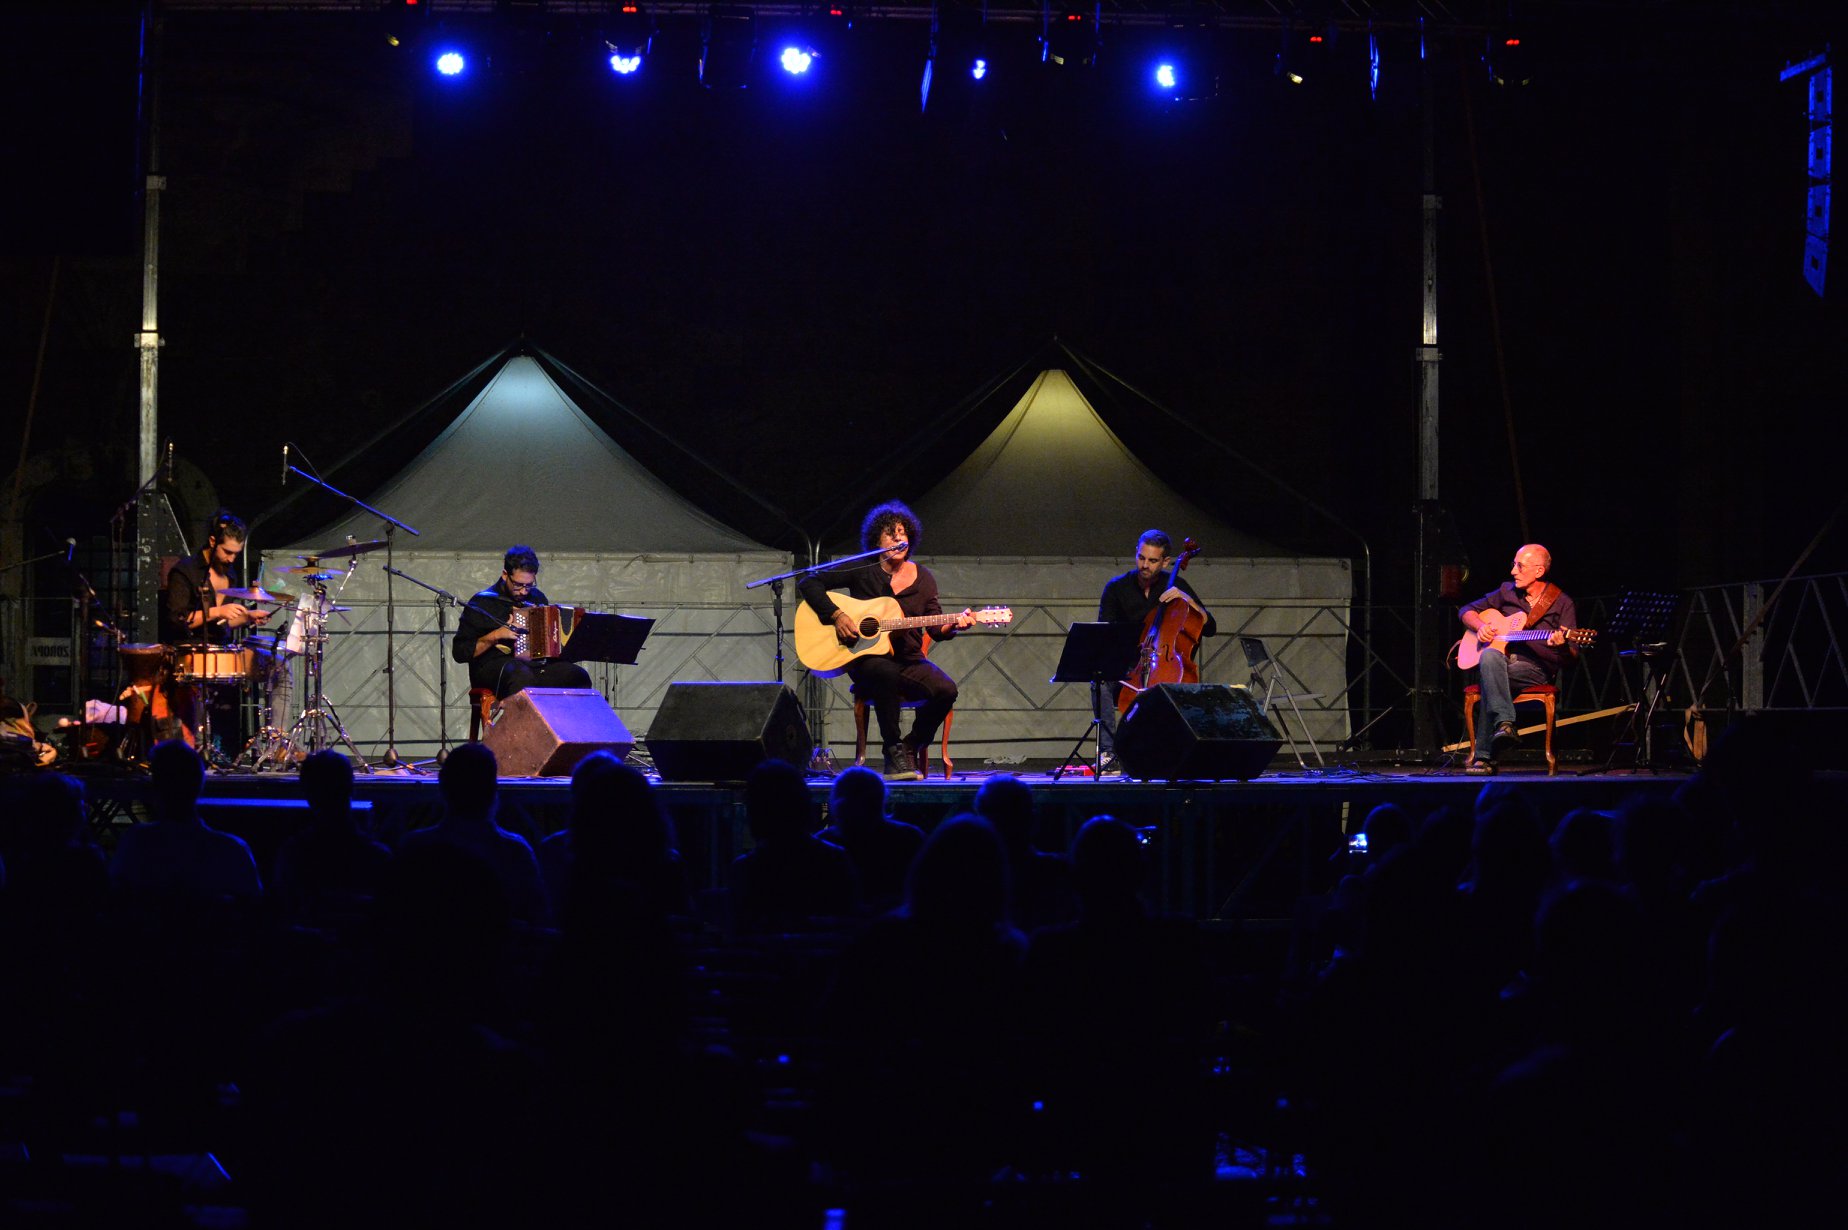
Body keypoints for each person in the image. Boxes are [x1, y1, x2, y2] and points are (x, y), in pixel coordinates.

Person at [797, 501, 974, 781]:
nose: (898, 538)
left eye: (902, 532)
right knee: (883, 671)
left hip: (910, 660)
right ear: (876, 540)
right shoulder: (863, 568)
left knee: (946, 690)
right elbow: (809, 582)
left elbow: (937, 626)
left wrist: (954, 625)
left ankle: (910, 745)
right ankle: (892, 750)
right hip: (868, 659)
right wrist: (837, 615)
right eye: (890, 533)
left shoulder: (923, 578)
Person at [1093, 529, 1216, 772]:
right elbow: (1105, 633)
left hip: (1165, 665)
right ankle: (1108, 752)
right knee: (1100, 681)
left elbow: (1210, 626)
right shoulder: (1117, 588)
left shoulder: (1178, 585)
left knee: (1181, 688)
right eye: (1141, 558)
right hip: (1131, 667)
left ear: (1165, 562)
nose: (1144, 565)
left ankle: (1178, 752)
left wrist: (1186, 599)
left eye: (1152, 560)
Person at [1458, 543, 1578, 776]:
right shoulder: (1507, 591)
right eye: (1514, 564)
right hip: (1500, 661)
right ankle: (1505, 724)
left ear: (1539, 571)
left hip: (1535, 668)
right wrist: (1482, 627)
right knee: (1491, 656)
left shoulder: (1563, 603)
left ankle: (1485, 757)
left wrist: (1562, 646)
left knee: (1489, 676)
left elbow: (1572, 658)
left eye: (1519, 566)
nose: (1513, 571)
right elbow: (1466, 610)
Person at [451, 545, 592, 700]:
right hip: (493, 667)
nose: (524, 591)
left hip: (534, 666)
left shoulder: (537, 598)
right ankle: (522, 724)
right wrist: (496, 635)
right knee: (521, 676)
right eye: (518, 585)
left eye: (529, 585)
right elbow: (460, 652)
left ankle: (560, 723)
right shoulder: (482, 602)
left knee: (577, 676)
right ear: (505, 575)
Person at [161, 509, 272, 644]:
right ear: (213, 541)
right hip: (190, 651)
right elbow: (177, 621)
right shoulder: (185, 571)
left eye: (236, 554)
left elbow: (221, 623)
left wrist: (247, 617)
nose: (231, 559)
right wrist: (217, 611)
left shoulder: (229, 574)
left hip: (220, 651)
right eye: (227, 552)